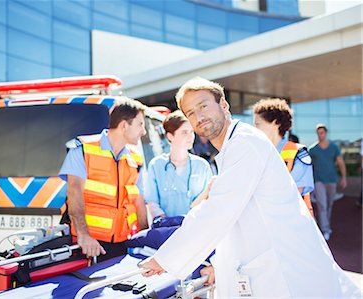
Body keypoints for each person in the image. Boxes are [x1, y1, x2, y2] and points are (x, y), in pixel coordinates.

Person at [139, 77, 359, 298]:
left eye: (203, 106)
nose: (199, 117)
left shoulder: (245, 144)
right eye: (190, 113)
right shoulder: (231, 149)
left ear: (223, 105)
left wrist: (165, 258)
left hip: (286, 273)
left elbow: (217, 212)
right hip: (266, 269)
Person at [59, 98, 148, 262]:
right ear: (123, 126)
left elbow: (139, 201)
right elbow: (74, 193)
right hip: (87, 245)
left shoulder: (136, 159)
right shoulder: (83, 149)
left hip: (121, 244)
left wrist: (147, 237)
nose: (143, 132)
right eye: (140, 124)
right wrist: (83, 236)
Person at [145, 110, 213, 219]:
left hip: (195, 228)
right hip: (165, 231)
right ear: (170, 136)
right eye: (184, 132)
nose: (191, 136)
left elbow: (208, 200)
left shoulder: (202, 166)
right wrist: (168, 225)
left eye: (192, 131)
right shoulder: (156, 165)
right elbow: (152, 202)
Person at [253, 98, 314, 217]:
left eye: (257, 124)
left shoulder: (298, 153)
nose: (254, 129)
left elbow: (292, 194)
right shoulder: (257, 153)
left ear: (275, 123)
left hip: (290, 224)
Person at [309, 124, 347, 241]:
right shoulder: (313, 149)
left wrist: (344, 177)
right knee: (322, 205)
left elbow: (340, 163)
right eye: (318, 133)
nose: (320, 135)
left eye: (322, 133)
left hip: (331, 180)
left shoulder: (334, 148)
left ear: (325, 133)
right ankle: (325, 230)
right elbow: (308, 167)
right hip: (318, 180)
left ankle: (326, 226)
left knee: (329, 204)